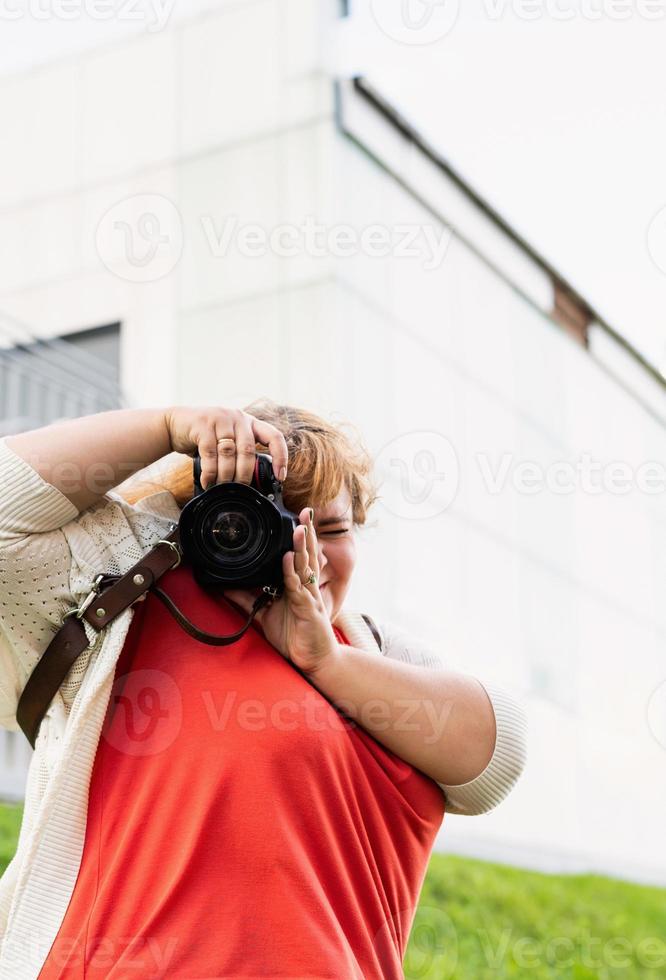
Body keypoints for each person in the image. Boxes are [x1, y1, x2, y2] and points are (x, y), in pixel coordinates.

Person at [0, 401, 527, 979]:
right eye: (272, 525)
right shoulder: (127, 592)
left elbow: (495, 761)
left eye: (331, 530)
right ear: (205, 520)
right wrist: (167, 427)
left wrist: (323, 660)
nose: (305, 555)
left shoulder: (369, 650)